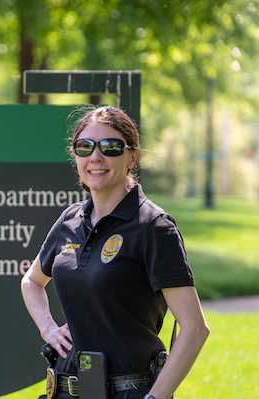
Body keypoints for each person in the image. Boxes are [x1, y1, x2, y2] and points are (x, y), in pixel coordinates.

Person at [21, 106, 209, 399]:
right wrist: (48, 329)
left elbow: (195, 328)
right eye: (84, 147)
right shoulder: (69, 220)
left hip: (131, 391)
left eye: (110, 146)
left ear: (132, 157)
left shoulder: (153, 226)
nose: (96, 157)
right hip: (65, 391)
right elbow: (32, 282)